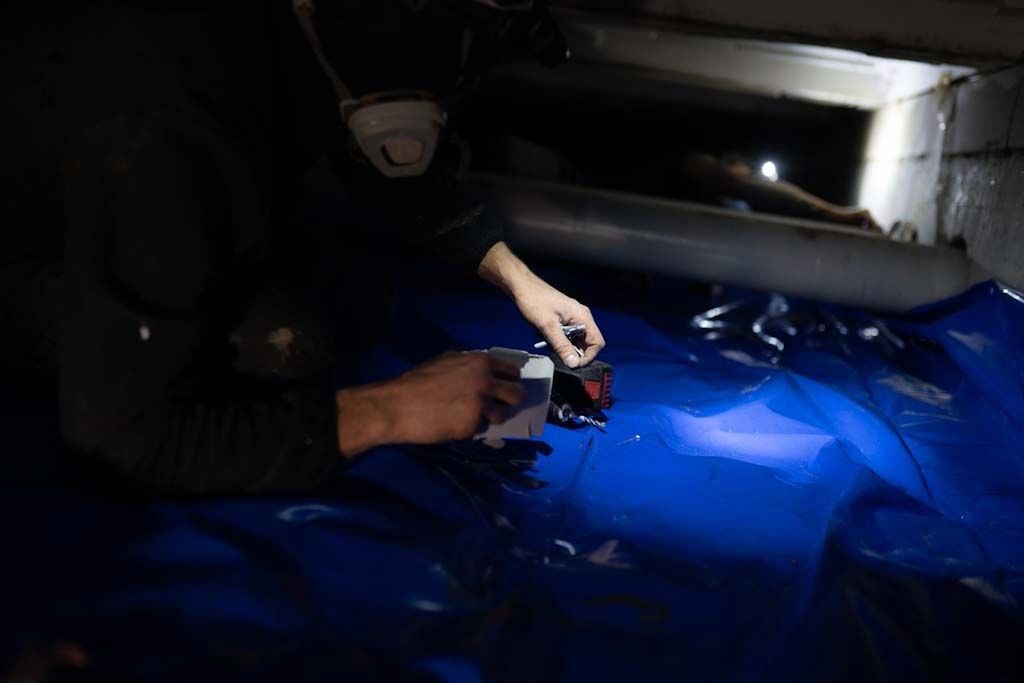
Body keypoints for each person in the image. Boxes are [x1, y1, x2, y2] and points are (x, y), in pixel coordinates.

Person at [0, 0, 604, 495]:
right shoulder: (157, 122)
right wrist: (391, 409)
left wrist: (516, 276)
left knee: (351, 300)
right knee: (283, 347)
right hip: (46, 244)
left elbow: (374, 142)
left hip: (141, 193)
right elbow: (125, 438)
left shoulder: (305, 33)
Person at [679, 152, 884, 232]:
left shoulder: (730, 169)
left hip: (778, 196)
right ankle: (867, 225)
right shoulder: (717, 191)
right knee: (829, 216)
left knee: (829, 213)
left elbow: (747, 174)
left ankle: (871, 226)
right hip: (773, 202)